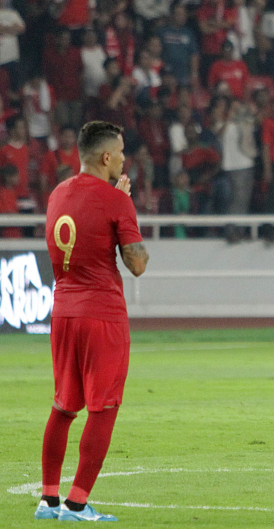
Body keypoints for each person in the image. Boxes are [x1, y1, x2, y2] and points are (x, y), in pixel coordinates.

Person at [36, 121, 149, 522]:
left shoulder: (57, 194)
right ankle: (77, 504)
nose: (122, 158)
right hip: (101, 315)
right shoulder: (116, 200)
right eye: (119, 152)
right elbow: (137, 264)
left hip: (63, 311)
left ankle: (48, 500)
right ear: (106, 157)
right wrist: (124, 206)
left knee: (63, 405)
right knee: (104, 407)